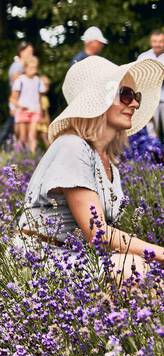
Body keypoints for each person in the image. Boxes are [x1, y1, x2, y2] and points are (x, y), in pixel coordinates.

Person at [17, 55, 164, 282]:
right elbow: (99, 233)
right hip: (40, 260)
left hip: (78, 256)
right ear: (100, 99)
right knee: (132, 268)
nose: (134, 103)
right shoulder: (71, 146)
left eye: (136, 97)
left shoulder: (107, 160)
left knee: (142, 268)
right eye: (125, 95)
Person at [0, 41, 34, 148]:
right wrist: (16, 104)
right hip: (18, 101)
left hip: (22, 101)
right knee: (12, 125)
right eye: (29, 52)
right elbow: (18, 87)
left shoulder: (22, 66)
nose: (31, 54)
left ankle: (3, 146)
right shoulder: (17, 67)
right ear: (21, 52)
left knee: (14, 125)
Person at [9, 56, 47, 153]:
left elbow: (40, 98)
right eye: (31, 67)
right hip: (23, 111)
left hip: (35, 111)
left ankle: (32, 156)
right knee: (22, 137)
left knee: (32, 135)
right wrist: (19, 106)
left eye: (35, 67)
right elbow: (13, 98)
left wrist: (42, 113)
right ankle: (18, 155)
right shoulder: (20, 80)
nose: (33, 70)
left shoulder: (38, 81)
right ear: (25, 68)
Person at [137, 30, 164, 138]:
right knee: (152, 133)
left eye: (161, 41)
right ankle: (154, 154)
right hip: (149, 101)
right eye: (155, 41)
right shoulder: (143, 57)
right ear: (150, 42)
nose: (157, 44)